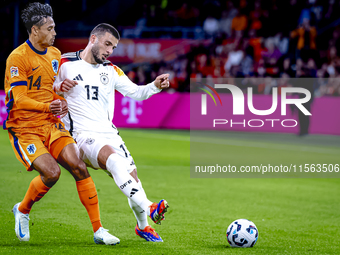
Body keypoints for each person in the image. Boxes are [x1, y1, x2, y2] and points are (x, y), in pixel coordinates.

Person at [4, 3, 119, 245]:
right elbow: (20, 98)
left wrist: (60, 97)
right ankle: (23, 210)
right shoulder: (17, 57)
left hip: (51, 123)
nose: (55, 32)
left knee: (78, 166)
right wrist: (49, 106)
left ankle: (99, 230)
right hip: (25, 128)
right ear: (35, 30)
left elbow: (53, 89)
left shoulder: (56, 55)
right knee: (52, 173)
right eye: (50, 28)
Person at [53, 23, 170, 242]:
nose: (110, 51)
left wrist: (154, 85)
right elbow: (44, 87)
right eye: (107, 44)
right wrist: (56, 89)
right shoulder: (64, 63)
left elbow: (135, 92)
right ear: (93, 38)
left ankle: (143, 226)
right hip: (81, 135)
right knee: (115, 161)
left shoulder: (111, 70)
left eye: (114, 47)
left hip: (110, 134)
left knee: (134, 179)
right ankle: (150, 206)